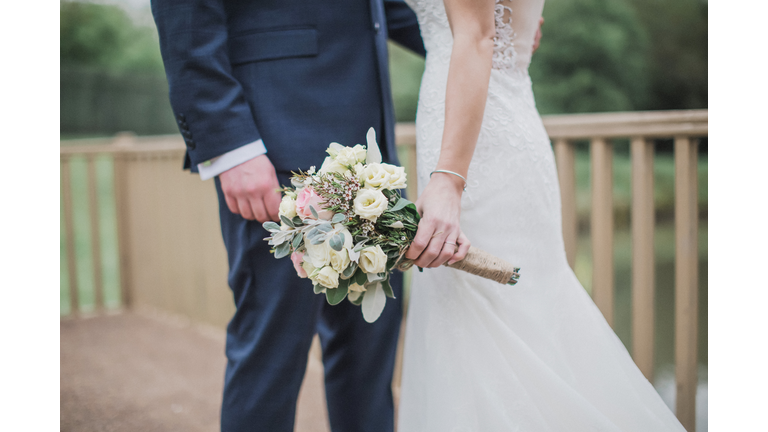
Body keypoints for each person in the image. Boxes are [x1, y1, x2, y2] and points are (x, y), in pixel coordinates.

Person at [398, 0, 688, 431]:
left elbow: (477, 37)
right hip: (489, 128)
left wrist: (447, 179)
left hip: (470, 155)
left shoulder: (454, 171)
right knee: (497, 328)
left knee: (496, 327)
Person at [149, 1, 424, 431]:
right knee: (270, 354)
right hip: (274, 147)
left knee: (369, 359)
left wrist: (490, 33)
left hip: (371, 160)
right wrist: (230, 144)